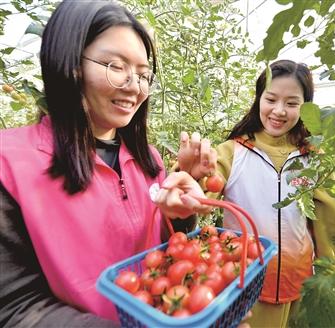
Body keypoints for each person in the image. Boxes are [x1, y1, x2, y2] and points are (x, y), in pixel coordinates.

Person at [0, 1, 215, 326]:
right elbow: (15, 307)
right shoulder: (10, 163)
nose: (134, 86)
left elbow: (161, 255)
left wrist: (180, 218)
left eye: (143, 75)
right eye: (117, 67)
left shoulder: (149, 160)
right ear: (71, 64)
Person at [178, 60, 335, 327]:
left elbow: (324, 216)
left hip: (298, 277)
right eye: (271, 99)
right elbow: (203, 186)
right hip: (244, 279)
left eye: (291, 103)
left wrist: (329, 266)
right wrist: (189, 174)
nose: (279, 111)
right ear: (259, 100)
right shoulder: (233, 151)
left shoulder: (312, 157)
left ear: (305, 106)